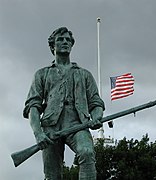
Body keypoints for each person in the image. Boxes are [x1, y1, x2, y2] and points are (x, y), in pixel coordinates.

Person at [23, 27, 105, 180]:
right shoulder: (42, 74)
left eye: (68, 40)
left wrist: (96, 117)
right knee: (52, 174)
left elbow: (96, 103)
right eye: (60, 39)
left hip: (77, 124)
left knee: (87, 152)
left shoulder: (84, 74)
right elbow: (33, 107)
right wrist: (38, 133)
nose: (65, 42)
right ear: (52, 46)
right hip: (50, 128)